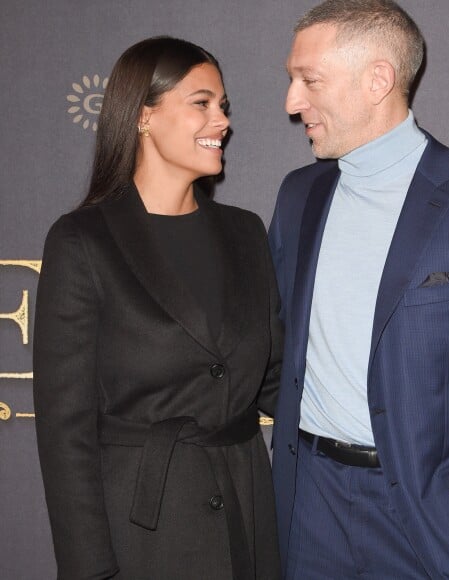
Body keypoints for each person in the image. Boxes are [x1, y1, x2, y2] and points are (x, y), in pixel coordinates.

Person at [268, 1, 449, 578]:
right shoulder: (298, 196)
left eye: (309, 80)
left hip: (432, 522)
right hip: (310, 510)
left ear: (378, 80)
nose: (292, 102)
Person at [33, 36, 282, 580]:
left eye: (224, 107)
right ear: (143, 117)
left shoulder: (245, 233)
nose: (222, 121)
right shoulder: (83, 241)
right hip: (141, 532)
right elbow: (64, 429)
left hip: (248, 514)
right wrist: (88, 567)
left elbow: (278, 380)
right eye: (202, 103)